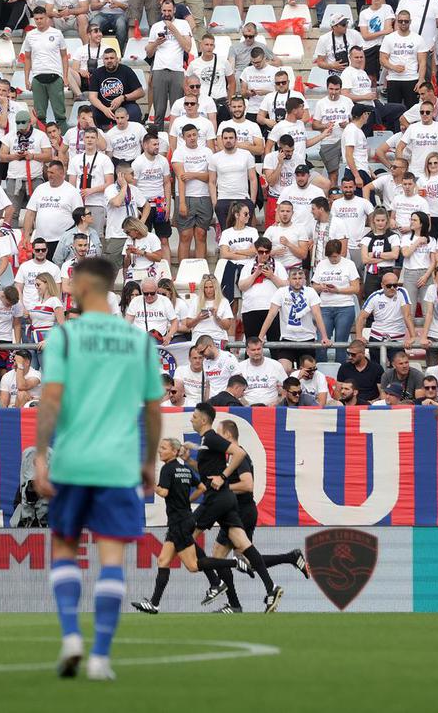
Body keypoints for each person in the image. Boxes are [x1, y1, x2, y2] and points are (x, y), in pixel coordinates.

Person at [33, 257, 163, 681]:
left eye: (72, 282)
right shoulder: (138, 341)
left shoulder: (65, 338)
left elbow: (51, 399)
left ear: (86, 285)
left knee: (66, 547)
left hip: (72, 460)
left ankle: (71, 635)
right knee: (111, 558)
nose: (68, 288)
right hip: (119, 463)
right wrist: (148, 461)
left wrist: (40, 456)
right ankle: (101, 657)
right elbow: (152, 408)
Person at [128, 437, 249, 616]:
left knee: (192, 566)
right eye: (160, 447)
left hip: (178, 523)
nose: (160, 451)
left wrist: (151, 485)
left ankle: (233, 563)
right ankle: (154, 604)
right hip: (185, 519)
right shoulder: (184, 469)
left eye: (164, 448)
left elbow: (164, 492)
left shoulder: (167, 469)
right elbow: (201, 487)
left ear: (174, 452)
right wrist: (186, 501)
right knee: (163, 561)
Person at [184, 403, 285, 612]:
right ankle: (271, 587)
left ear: (203, 420)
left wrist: (223, 477)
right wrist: (188, 460)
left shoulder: (211, 437)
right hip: (226, 499)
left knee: (184, 535)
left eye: (194, 416)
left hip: (216, 499)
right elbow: (208, 470)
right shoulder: (206, 442)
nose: (191, 419)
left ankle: (215, 583)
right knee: (242, 544)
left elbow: (238, 453)